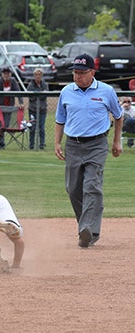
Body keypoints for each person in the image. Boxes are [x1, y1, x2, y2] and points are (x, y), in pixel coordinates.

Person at [54, 53, 123, 248]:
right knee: (73, 188)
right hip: (73, 144)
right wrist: (57, 143)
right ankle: (88, 230)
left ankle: (86, 228)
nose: (78, 76)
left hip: (97, 144)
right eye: (75, 72)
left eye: (82, 73)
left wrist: (116, 142)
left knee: (92, 186)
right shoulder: (67, 92)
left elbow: (118, 116)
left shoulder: (107, 91)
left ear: (92, 72)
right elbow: (60, 120)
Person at [0, 67, 25, 149]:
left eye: (8, 73)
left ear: (10, 74)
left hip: (9, 107)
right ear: (2, 74)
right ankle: (1, 143)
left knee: (5, 125)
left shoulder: (13, 81)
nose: (6, 75)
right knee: (0, 125)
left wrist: (21, 103)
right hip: (0, 108)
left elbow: (18, 92)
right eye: (4, 73)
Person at [27, 68, 49, 150]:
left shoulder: (45, 84)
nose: (38, 76)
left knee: (41, 128)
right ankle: (31, 145)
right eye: (36, 74)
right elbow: (31, 97)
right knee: (32, 128)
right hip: (32, 110)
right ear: (34, 76)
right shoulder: (31, 85)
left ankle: (42, 144)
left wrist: (39, 95)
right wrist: (39, 95)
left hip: (42, 109)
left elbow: (45, 95)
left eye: (39, 74)